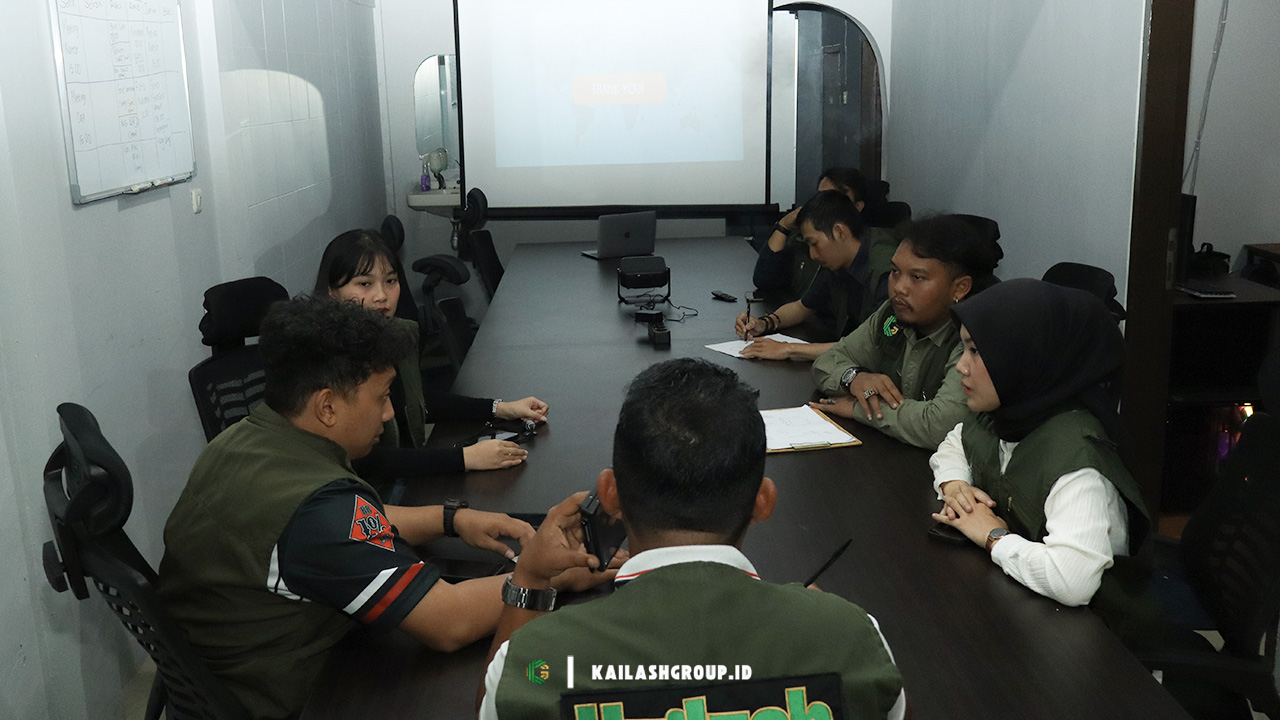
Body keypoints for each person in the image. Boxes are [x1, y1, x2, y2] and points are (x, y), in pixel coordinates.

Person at [158, 296, 611, 720]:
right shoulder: (319, 511)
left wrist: (451, 519)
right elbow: (448, 622)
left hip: (231, 664)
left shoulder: (246, 439)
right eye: (381, 396)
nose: (390, 412)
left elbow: (346, 524)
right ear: (327, 407)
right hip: (295, 694)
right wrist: (543, 576)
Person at [477, 359, 906, 720]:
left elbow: (494, 706)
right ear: (763, 502)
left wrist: (529, 577)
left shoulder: (536, 662)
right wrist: (824, 621)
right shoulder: (854, 642)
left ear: (609, 495)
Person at [929, 279, 1151, 621]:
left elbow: (1072, 582)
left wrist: (992, 535)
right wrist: (955, 485)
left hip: (1098, 630)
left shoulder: (1078, 462)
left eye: (975, 351)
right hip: (1026, 606)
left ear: (1024, 357)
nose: (961, 365)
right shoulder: (1009, 413)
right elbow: (955, 442)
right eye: (963, 348)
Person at [315, 229, 545, 488]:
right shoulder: (327, 359)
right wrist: (464, 458)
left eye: (390, 281)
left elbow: (418, 401)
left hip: (404, 475)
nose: (381, 295)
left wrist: (500, 408)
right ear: (332, 291)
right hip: (365, 492)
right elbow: (365, 461)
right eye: (364, 284)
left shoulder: (393, 335)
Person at [810, 215, 999, 449]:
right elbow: (827, 361)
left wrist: (860, 408)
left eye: (917, 277)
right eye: (895, 272)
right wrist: (854, 378)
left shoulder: (974, 335)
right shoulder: (891, 315)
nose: (899, 287)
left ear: (960, 288)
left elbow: (941, 425)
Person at [735, 190, 897, 360]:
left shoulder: (888, 273)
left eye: (814, 243)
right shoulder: (838, 262)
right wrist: (764, 323)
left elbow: (873, 346)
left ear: (839, 232)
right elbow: (802, 307)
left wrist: (789, 349)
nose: (812, 255)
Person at [752, 167, 890, 299]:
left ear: (857, 206)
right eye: (820, 197)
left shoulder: (859, 254)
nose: (813, 254)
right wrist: (783, 226)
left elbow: (885, 319)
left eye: (832, 199)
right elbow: (764, 279)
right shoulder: (802, 238)